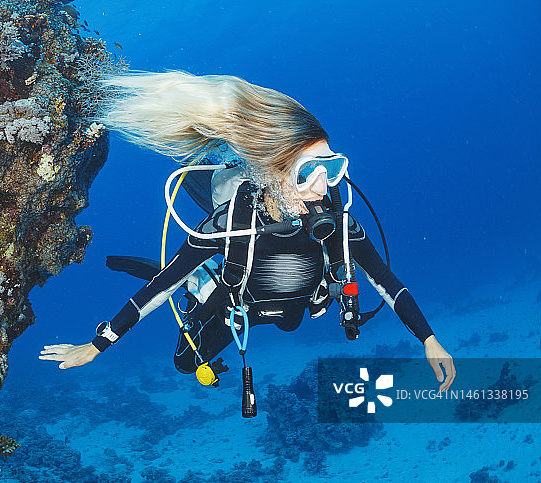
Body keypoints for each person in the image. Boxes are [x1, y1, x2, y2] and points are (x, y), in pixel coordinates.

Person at [39, 71, 456, 392]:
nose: (323, 186)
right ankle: (201, 280)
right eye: (308, 172)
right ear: (273, 172)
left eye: (332, 168)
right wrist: (98, 344)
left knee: (292, 323)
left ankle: (211, 279)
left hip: (298, 304)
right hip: (235, 303)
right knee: (185, 363)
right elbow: (163, 286)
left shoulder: (337, 224)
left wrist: (429, 339)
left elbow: (385, 281)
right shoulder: (231, 223)